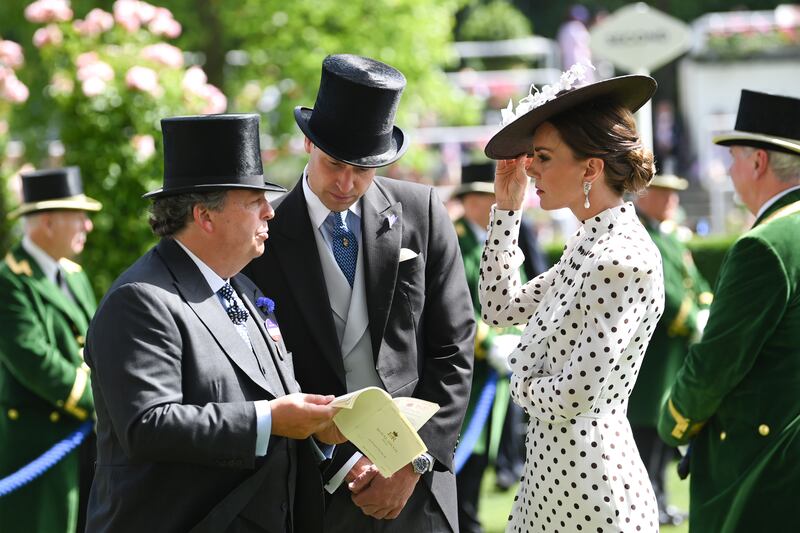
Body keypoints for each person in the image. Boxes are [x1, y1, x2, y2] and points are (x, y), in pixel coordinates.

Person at [243, 54, 475, 532]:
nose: (347, 183)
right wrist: (335, 462)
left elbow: (454, 347)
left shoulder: (423, 211)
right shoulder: (262, 233)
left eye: (364, 169)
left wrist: (414, 462)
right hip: (311, 489)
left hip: (417, 488)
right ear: (309, 142)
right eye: (334, 164)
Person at [84, 114, 343, 532]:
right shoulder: (141, 300)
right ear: (205, 216)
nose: (269, 212)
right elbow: (149, 426)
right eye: (253, 201)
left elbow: (267, 398)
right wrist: (270, 419)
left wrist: (315, 430)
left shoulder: (240, 286)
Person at [481, 70, 663, 531]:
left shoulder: (620, 256)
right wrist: (506, 211)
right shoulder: (591, 243)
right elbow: (499, 308)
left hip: (591, 490)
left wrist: (519, 379)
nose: (529, 169)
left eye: (542, 157)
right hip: (546, 482)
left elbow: (573, 393)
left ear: (590, 168)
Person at [658, 89, 800, 532]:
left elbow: (715, 363)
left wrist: (674, 422)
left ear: (758, 162)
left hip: (764, 465)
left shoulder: (764, 246)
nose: (729, 168)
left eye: (734, 156)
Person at [0, 167, 101, 533]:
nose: (87, 228)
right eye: (79, 218)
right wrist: (102, 399)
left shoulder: (74, 275)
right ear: (47, 222)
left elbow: (92, 344)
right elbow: (35, 360)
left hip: (84, 439)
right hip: (40, 443)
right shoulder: (9, 281)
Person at [629, 174, 712, 526]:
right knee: (647, 434)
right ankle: (649, 503)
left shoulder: (670, 236)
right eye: (665, 194)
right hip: (654, 354)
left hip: (674, 355)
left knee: (662, 437)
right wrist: (692, 319)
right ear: (646, 196)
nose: (672, 201)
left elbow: (694, 282)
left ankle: (660, 500)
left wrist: (706, 308)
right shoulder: (641, 234)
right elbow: (666, 291)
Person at [452, 160, 523, 533]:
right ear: (469, 201)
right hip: (466, 372)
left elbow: (520, 291)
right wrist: (489, 343)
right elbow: (455, 305)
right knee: (463, 457)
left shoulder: (499, 239)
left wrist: (518, 337)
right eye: (485, 197)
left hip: (498, 373)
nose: (493, 203)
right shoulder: (454, 241)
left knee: (483, 457)